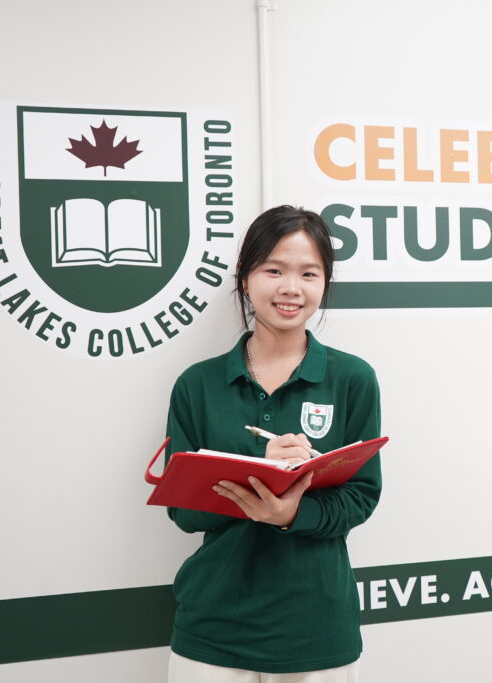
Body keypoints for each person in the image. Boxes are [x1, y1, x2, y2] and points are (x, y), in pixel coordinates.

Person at [163, 205, 382, 682]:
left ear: (325, 283)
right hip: (211, 631)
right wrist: (256, 471)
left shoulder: (352, 379)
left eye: (309, 273)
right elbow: (182, 512)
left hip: (316, 631)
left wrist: (291, 515)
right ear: (245, 279)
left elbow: (361, 497)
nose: (291, 288)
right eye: (274, 270)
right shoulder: (197, 386)